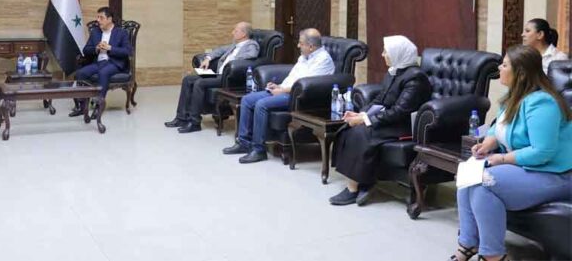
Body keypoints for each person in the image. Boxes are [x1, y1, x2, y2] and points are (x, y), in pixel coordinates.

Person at [451, 45, 572, 261]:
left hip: (555, 173)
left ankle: (493, 255)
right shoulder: (513, 96)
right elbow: (499, 127)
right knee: (468, 176)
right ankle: (468, 243)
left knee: (484, 182)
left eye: (505, 65)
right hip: (529, 167)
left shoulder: (542, 102)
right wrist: (488, 144)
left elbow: (542, 152)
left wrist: (502, 158)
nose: (499, 68)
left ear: (521, 73)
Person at [329, 35, 432, 205]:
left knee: (360, 133)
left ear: (398, 53)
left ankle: (353, 188)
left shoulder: (415, 78)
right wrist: (360, 114)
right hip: (390, 121)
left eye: (386, 52)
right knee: (348, 128)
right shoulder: (394, 71)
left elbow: (400, 111)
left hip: (404, 126)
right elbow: (380, 100)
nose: (383, 55)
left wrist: (365, 120)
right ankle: (364, 181)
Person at [222, 28, 335, 164]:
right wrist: (278, 86)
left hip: (299, 98)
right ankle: (244, 143)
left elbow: (306, 85)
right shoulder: (304, 57)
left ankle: (259, 150)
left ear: (311, 47)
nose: (298, 45)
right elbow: (293, 78)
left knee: (261, 104)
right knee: (247, 100)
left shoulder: (323, 60)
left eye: (301, 43)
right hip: (285, 90)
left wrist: (283, 91)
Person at [165, 22, 259, 133]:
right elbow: (219, 50)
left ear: (243, 34)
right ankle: (181, 118)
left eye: (235, 30)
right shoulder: (235, 45)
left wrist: (233, 59)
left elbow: (252, 55)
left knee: (199, 83)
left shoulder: (252, 45)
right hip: (218, 74)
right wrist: (208, 58)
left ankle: (195, 122)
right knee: (188, 79)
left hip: (228, 78)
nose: (232, 32)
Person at [70, 7, 132, 117]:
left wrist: (110, 48)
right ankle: (82, 107)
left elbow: (128, 51)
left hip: (114, 63)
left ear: (109, 19)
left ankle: (99, 106)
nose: (98, 20)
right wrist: (96, 48)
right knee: (80, 73)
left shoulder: (121, 33)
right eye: (97, 17)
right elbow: (86, 50)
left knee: (103, 72)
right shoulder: (95, 32)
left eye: (101, 18)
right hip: (98, 62)